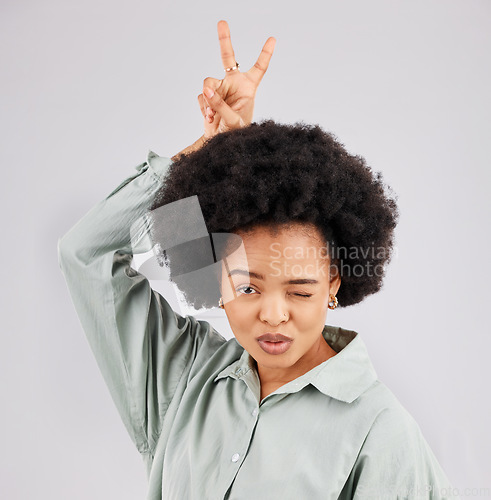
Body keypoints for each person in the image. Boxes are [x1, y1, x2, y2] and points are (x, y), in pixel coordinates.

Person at [57, 20, 457, 500]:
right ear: (217, 282)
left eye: (300, 290)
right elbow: (89, 255)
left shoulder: (379, 431)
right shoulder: (183, 377)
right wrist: (206, 155)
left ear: (334, 283)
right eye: (247, 286)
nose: (272, 314)